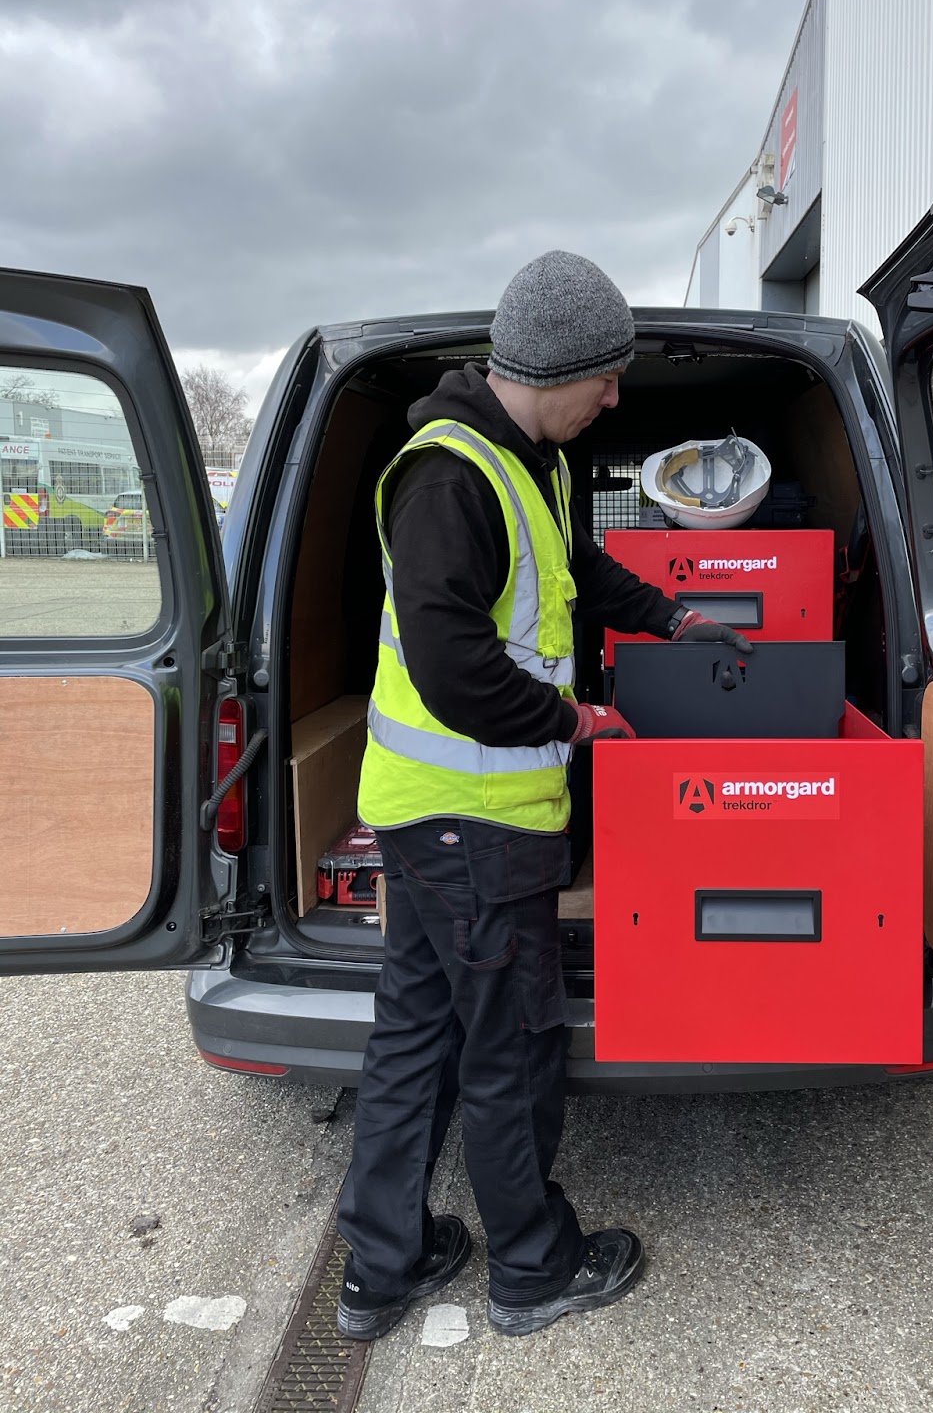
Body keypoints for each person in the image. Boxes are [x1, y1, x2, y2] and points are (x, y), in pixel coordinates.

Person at [336, 250, 752, 1341]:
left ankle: (383, 1264)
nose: (617, 395)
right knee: (512, 1046)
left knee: (415, 1033)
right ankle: (532, 1265)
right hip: (474, 820)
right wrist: (575, 721)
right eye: (605, 377)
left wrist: (672, 622)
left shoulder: (541, 462)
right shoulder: (450, 475)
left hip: (435, 814)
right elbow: (450, 663)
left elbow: (581, 573)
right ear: (554, 364)